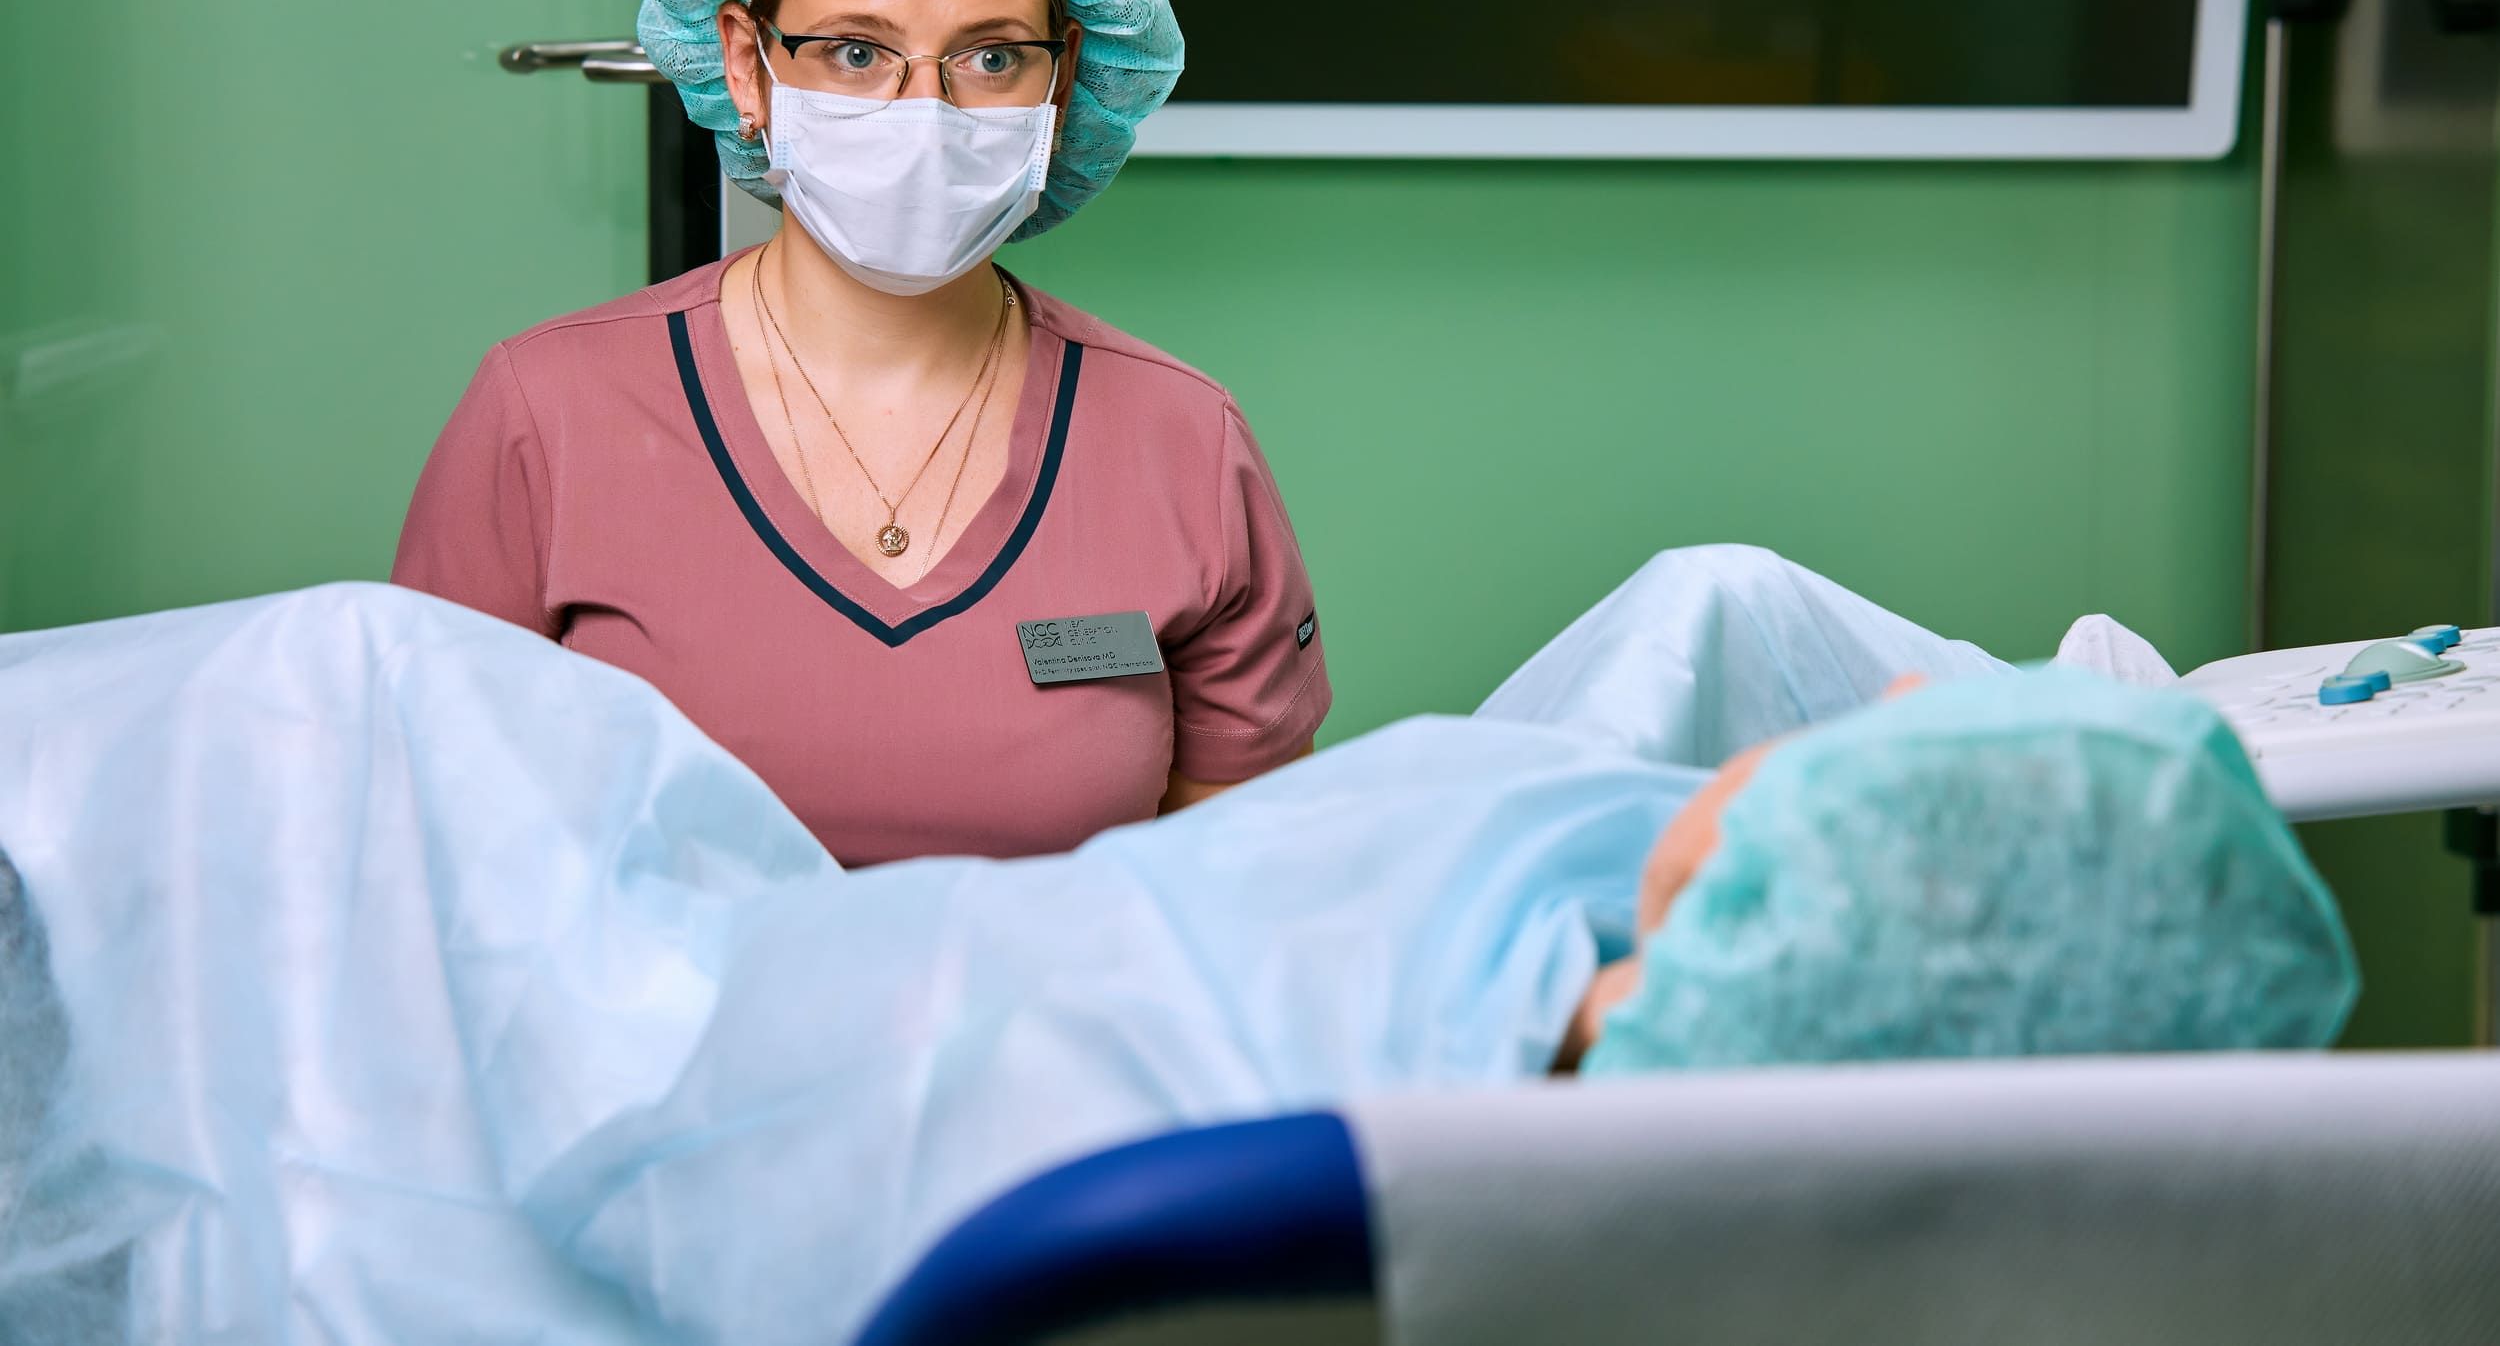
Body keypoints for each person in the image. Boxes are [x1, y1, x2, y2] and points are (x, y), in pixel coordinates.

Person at [0, 546, 2353, 1345]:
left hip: (727, 1061)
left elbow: (784, 1104)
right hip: (854, 961)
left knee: (335, 713)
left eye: (1891, 761)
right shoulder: (1592, 1001)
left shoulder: (1384, 1068)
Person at [392, 0, 1325, 864]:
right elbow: (435, 856)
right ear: (746, 66)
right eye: (854, 51)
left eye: (991, 56)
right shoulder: (549, 415)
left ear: (1062, 76)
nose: (924, 113)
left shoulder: (1182, 440)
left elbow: (1246, 889)